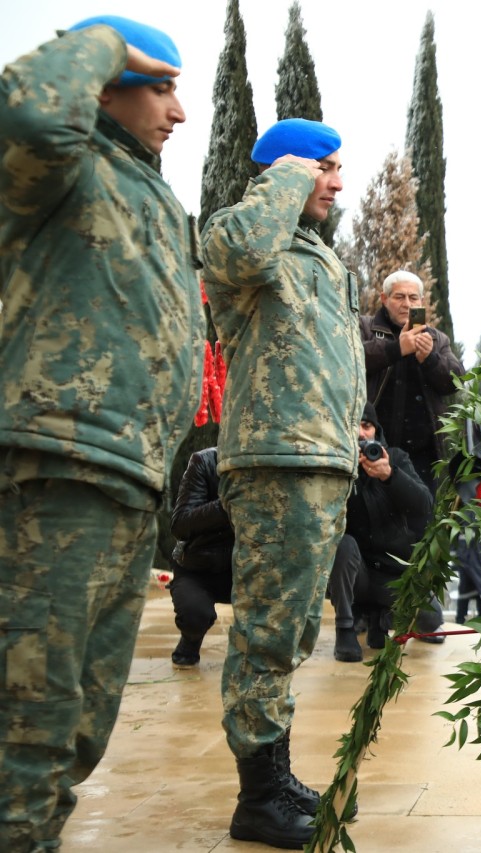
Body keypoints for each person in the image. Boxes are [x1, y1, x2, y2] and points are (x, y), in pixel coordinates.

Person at [0, 17, 202, 851]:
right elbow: (30, 110)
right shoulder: (61, 165)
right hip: (61, 462)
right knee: (30, 718)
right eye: (162, 87)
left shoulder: (148, 190)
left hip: (130, 474)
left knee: (82, 720)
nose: (179, 112)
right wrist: (104, 42)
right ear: (108, 85)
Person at [202, 117, 365, 849]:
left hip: (320, 461)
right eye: (325, 167)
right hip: (276, 459)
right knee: (267, 630)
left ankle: (275, 772)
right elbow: (241, 249)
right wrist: (290, 174)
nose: (336, 183)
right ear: (286, 170)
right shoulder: (240, 232)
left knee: (293, 628)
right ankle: (258, 797)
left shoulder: (316, 255)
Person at [330, 406, 435, 662]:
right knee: (342, 544)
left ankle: (381, 616)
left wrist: (389, 475)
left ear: (377, 431)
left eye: (366, 426)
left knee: (431, 621)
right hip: (358, 574)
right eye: (353, 425)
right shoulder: (334, 465)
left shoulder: (396, 458)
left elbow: (424, 505)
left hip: (395, 572)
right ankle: (345, 627)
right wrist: (345, 473)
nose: (360, 433)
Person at [361, 269, 464, 487]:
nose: (407, 304)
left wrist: (430, 359)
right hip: (370, 446)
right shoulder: (365, 328)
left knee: (420, 507)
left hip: (423, 456)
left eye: (413, 297)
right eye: (399, 297)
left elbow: (456, 380)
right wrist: (395, 349)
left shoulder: (437, 339)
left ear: (422, 301)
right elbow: (351, 359)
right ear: (384, 299)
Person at [168, 447, 234, 667]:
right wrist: (228, 504)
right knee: (194, 615)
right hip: (199, 567)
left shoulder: (274, 465)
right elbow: (180, 525)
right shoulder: (204, 461)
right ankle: (190, 639)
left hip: (250, 568)